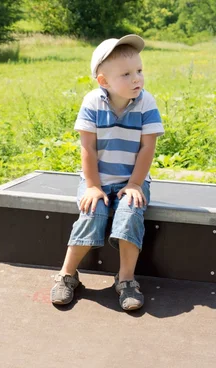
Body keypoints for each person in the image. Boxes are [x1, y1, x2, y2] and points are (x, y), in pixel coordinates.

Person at [50, 34, 164, 311]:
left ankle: (125, 280)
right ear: (104, 81)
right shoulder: (92, 102)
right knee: (92, 211)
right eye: (126, 74)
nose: (137, 78)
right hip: (97, 178)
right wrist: (92, 185)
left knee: (129, 214)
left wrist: (136, 184)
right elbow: (87, 146)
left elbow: (148, 147)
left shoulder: (146, 102)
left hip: (131, 180)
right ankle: (67, 275)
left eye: (139, 71)